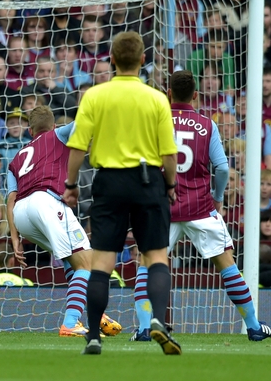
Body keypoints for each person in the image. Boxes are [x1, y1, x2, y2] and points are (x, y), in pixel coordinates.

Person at [129, 70, 271, 342]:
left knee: (146, 265)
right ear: (195, 95)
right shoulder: (207, 125)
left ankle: (144, 329)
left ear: (168, 93)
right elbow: (221, 167)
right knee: (227, 265)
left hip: (162, 208)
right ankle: (253, 326)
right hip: (200, 206)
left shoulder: (154, 121)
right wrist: (217, 197)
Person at [62, 31, 180, 355]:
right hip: (147, 181)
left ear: (111, 59)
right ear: (143, 60)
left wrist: (71, 187)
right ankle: (157, 320)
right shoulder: (156, 98)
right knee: (156, 256)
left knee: (101, 261)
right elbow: (169, 154)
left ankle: (94, 337)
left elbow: (76, 146)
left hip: (109, 182)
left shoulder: (95, 96)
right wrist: (169, 185)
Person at [6, 105, 121, 338]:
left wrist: (15, 239)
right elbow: (86, 122)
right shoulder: (58, 134)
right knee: (88, 262)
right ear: (54, 126)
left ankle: (94, 314)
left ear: (29, 130)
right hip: (47, 202)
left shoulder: (16, 159)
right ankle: (70, 321)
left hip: (21, 215)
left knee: (73, 261)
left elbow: (10, 199)